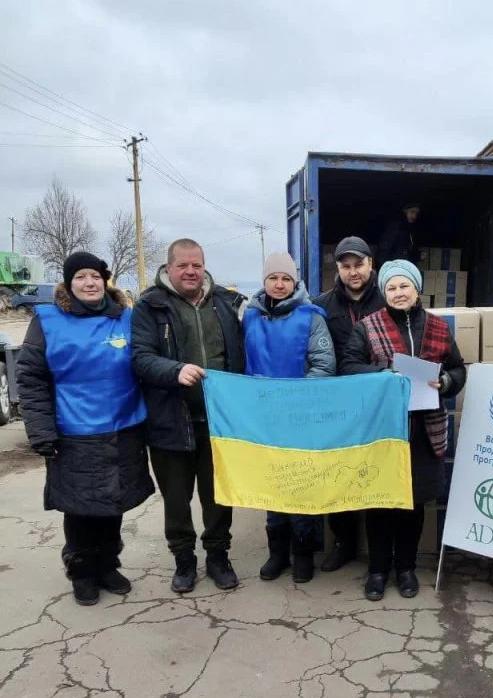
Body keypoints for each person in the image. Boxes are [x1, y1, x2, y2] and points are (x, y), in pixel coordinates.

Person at [16, 252, 154, 606]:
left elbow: (146, 362)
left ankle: (108, 565)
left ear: (105, 281)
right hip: (74, 432)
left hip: (124, 428)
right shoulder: (47, 321)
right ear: (68, 283)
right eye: (80, 277)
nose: (89, 283)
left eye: (95, 276)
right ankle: (82, 571)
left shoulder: (125, 317)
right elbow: (30, 380)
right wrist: (41, 432)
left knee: (114, 505)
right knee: (80, 509)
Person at [342, 258, 466, 600]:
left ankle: (406, 569)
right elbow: (349, 366)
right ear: (384, 292)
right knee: (381, 503)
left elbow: (458, 370)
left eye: (404, 286)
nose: (398, 293)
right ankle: (378, 571)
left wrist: (444, 381)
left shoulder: (439, 328)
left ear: (417, 289)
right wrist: (385, 371)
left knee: (413, 504)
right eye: (391, 288)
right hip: (383, 431)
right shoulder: (367, 327)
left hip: (424, 431)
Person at [131, 238, 244, 594]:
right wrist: (174, 370)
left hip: (218, 424)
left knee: (218, 497)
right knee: (177, 501)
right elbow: (139, 357)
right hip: (170, 421)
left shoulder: (225, 304)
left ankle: (218, 557)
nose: (191, 271)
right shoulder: (150, 306)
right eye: (183, 265)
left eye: (197, 265)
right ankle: (183, 560)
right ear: (169, 267)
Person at [243, 253, 335, 584]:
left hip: (300, 416)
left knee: (300, 485)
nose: (279, 284)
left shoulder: (311, 317)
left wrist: (293, 401)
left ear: (295, 282)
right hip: (264, 419)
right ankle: (277, 554)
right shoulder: (250, 316)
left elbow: (324, 366)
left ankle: (302, 554)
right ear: (264, 282)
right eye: (273, 278)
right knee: (272, 485)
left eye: (286, 278)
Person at [313, 236, 386, 571]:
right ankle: (343, 542)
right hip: (336, 403)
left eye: (359, 264)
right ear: (338, 269)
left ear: (372, 264)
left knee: (375, 471)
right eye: (346, 266)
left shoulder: (391, 300)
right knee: (337, 472)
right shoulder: (321, 306)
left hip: (379, 402)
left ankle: (378, 544)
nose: (353, 272)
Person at [377, 203, 420, 267]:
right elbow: (385, 250)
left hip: (404, 267)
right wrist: (385, 268)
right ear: (405, 211)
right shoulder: (395, 227)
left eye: (416, 214)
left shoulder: (410, 229)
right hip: (394, 267)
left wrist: (418, 255)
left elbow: (408, 249)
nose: (414, 216)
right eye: (412, 212)